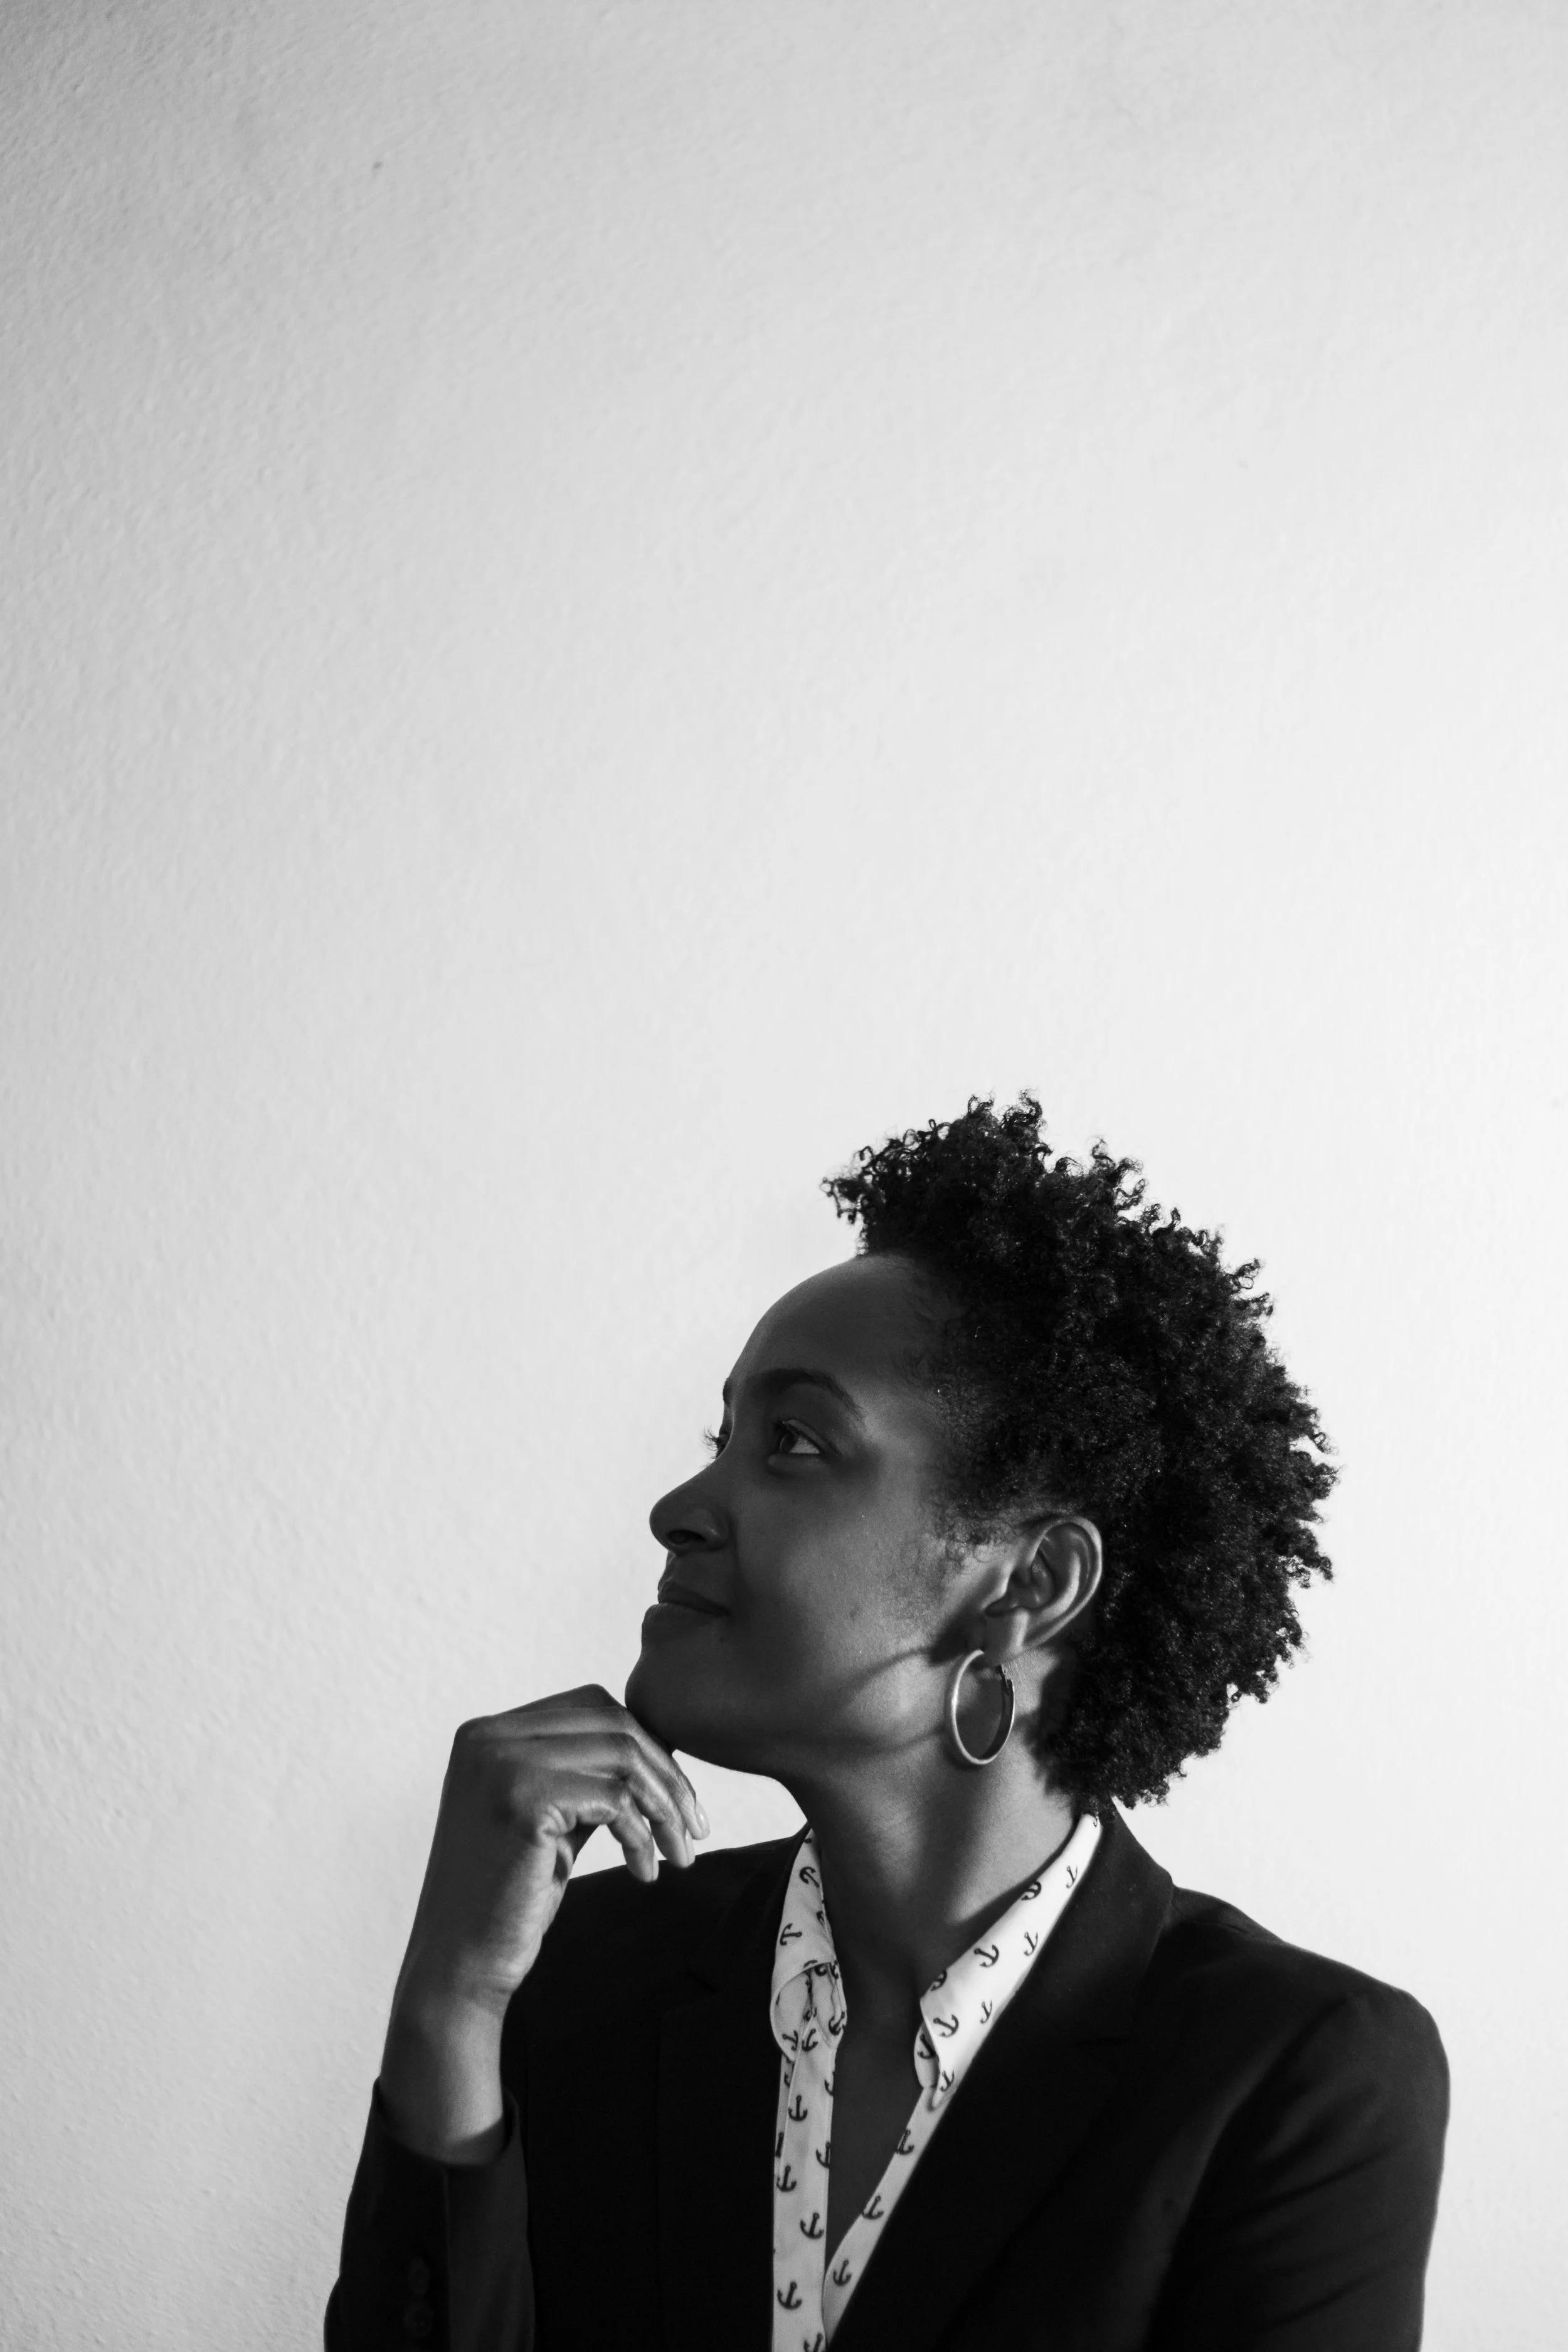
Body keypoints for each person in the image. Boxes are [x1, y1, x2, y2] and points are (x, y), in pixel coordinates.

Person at [324, 1097, 1448, 2351]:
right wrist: (451, 2002)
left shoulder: (1289, 2079)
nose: (677, 1507)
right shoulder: (585, 1977)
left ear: (1028, 1584)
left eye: (794, 1442)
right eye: (722, 1436)